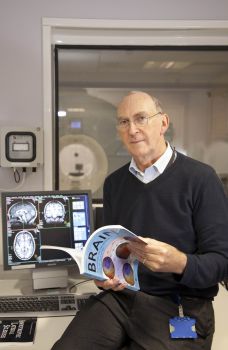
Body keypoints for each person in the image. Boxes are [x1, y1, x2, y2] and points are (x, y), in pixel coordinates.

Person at [51, 91, 228, 350]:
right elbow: (111, 251)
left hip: (179, 305)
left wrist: (179, 262)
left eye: (141, 118)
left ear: (163, 123)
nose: (132, 129)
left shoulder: (201, 179)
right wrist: (103, 275)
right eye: (124, 122)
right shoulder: (114, 184)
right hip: (122, 300)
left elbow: (222, 263)